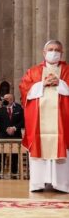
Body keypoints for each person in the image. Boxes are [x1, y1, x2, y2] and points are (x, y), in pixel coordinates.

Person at [20, 40, 69, 193]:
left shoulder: (67, 70)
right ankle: (38, 184)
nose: (54, 52)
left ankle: (61, 184)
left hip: (61, 121)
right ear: (44, 52)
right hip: (38, 121)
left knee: (61, 149)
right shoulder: (33, 71)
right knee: (38, 148)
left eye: (57, 50)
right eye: (51, 49)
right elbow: (24, 90)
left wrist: (60, 83)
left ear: (61, 53)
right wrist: (42, 84)